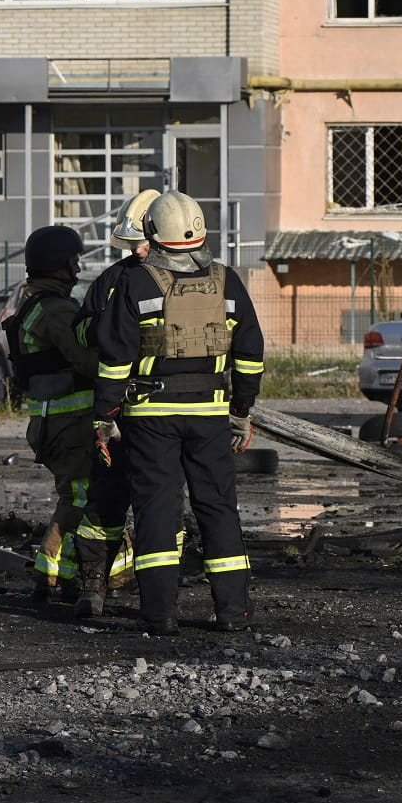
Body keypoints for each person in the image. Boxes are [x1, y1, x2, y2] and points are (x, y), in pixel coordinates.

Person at [89, 190, 265, 635]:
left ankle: (160, 615)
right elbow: (250, 355)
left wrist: (104, 416)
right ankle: (233, 613)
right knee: (219, 507)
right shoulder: (227, 280)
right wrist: (241, 411)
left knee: (157, 509)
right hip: (211, 415)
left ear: (152, 233)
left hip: (150, 417)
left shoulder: (136, 282)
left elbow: (115, 358)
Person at [67, 189, 160, 622]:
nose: (138, 250)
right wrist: (111, 327)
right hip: (118, 411)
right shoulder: (112, 280)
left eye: (143, 241)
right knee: (105, 498)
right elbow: (81, 331)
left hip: (163, 413)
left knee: (161, 506)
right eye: (133, 243)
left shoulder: (191, 280)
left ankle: (161, 593)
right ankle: (93, 585)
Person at [3, 225, 98, 606]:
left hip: (52, 424)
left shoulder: (35, 305)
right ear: (58, 265)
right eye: (74, 260)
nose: (78, 267)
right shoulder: (57, 310)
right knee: (81, 499)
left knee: (76, 497)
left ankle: (59, 575)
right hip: (70, 425)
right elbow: (88, 360)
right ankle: (52, 574)